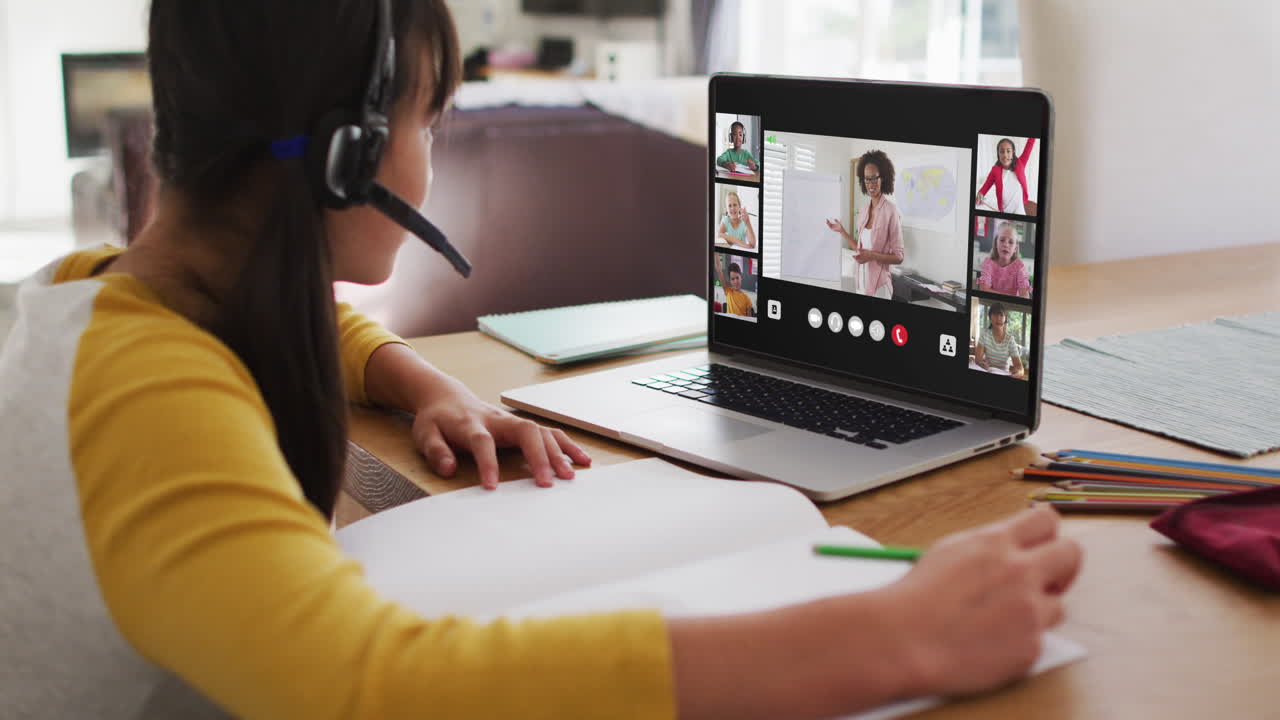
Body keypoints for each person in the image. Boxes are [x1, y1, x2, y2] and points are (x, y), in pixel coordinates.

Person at [0, 2, 1080, 718]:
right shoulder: (151, 397)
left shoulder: (103, 297)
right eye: (433, 121)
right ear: (347, 156)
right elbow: (365, 688)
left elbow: (276, 321)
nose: (431, 157)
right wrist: (893, 638)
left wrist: (420, 380)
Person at [826, 150, 905, 300]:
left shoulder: (891, 211)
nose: (871, 184)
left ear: (883, 178)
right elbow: (861, 250)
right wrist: (842, 231)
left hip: (880, 287)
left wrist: (872, 255)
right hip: (861, 283)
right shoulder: (863, 212)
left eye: (875, 178)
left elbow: (899, 257)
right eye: (867, 179)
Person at [976, 137, 1037, 215]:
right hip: (1004, 210)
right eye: (1002, 152)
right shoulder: (995, 170)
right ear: (998, 154)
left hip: (1019, 208)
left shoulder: (1020, 163)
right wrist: (980, 194)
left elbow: (1030, 144)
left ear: (1013, 152)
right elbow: (985, 187)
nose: (1005, 155)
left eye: (1008, 151)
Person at [978, 221, 1032, 298]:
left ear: (1015, 248)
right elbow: (984, 290)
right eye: (1002, 240)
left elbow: (1025, 296)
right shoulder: (988, 263)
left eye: (1011, 242)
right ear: (996, 243)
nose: (1006, 245)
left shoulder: (1019, 266)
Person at [975, 302, 1027, 379]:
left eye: (1001, 315)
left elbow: (1021, 369)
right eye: (995, 315)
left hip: (1003, 375)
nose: (998, 318)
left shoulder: (1010, 340)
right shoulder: (984, 335)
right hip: (987, 371)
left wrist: (1017, 374)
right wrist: (981, 364)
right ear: (990, 317)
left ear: (1005, 318)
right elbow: (978, 360)